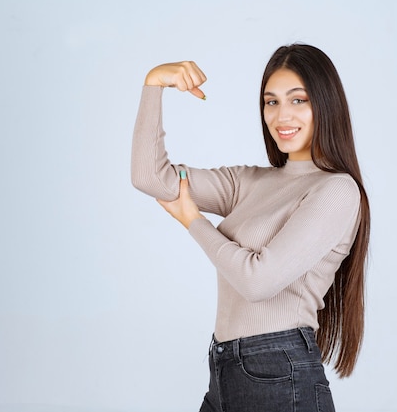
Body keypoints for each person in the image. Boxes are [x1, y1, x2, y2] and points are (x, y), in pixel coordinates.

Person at [131, 43, 370, 412]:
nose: (281, 115)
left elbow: (258, 281)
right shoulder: (249, 183)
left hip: (277, 370)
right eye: (271, 102)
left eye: (298, 100)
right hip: (225, 368)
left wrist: (193, 221)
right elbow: (152, 177)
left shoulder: (337, 190)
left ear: (325, 104)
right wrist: (153, 85)